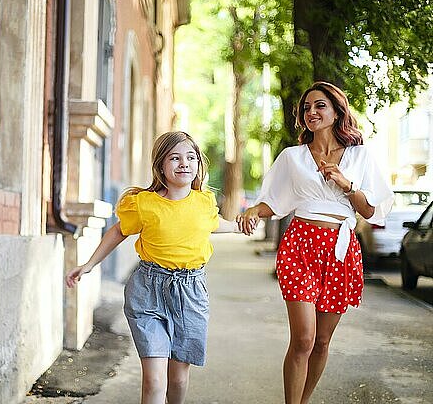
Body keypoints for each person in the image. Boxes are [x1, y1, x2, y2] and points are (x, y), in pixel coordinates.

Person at [237, 81, 394, 404]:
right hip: (300, 246)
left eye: (320, 106)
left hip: (340, 249)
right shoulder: (292, 157)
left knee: (322, 341)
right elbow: (275, 203)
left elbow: (371, 210)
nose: (311, 112)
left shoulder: (360, 156)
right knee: (304, 339)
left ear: (337, 112)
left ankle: (302, 400)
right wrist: (254, 209)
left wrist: (346, 184)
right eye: (306, 108)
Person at [66, 131, 241, 404]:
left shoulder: (204, 201)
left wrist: (240, 225)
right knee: (154, 380)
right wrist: (89, 264)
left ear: (198, 165)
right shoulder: (143, 204)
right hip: (148, 291)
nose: (184, 163)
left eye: (190, 157)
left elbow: (215, 224)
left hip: (191, 294)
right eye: (175, 158)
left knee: (179, 379)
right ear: (161, 165)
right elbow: (118, 232)